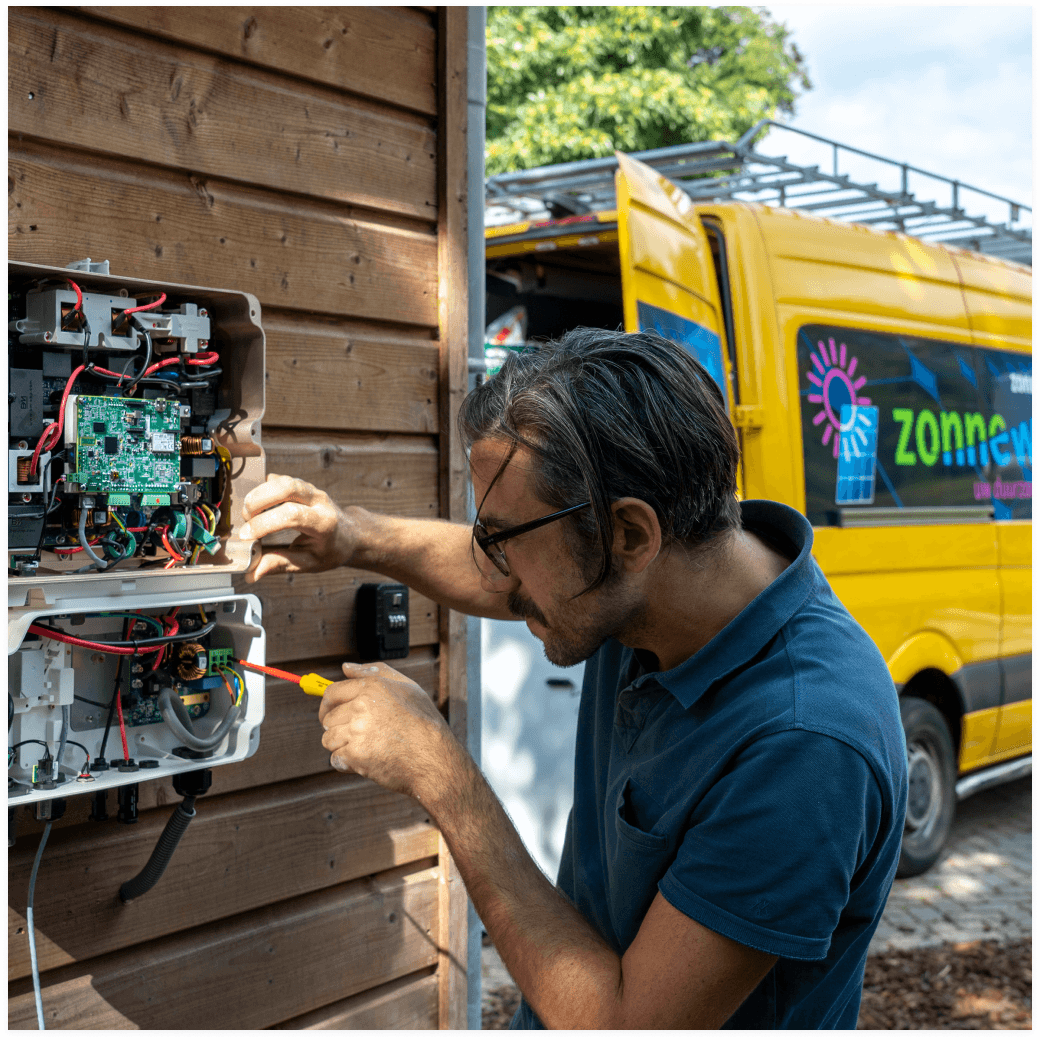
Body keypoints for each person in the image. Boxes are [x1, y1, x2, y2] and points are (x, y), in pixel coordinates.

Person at [238, 327, 908, 1030]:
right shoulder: (657, 586)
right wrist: (353, 535)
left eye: (504, 538)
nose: (490, 566)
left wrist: (441, 776)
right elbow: (504, 577)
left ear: (629, 535)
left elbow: (624, 1021)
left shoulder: (806, 745)